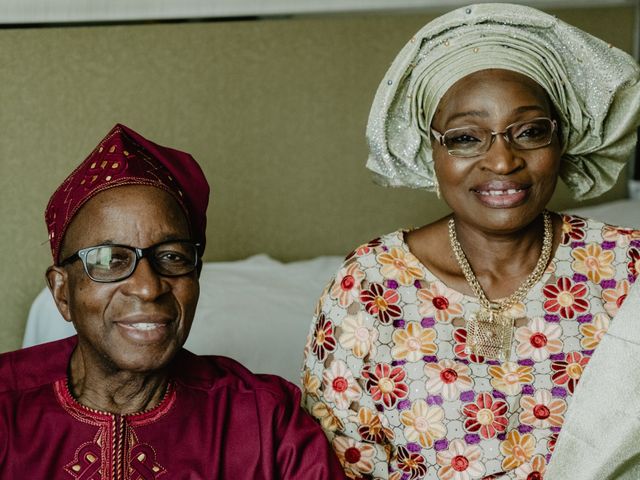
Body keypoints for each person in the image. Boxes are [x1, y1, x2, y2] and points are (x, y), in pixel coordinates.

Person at [301, 3, 640, 479]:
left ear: (563, 141)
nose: (502, 162)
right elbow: (345, 462)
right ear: (430, 151)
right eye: (465, 138)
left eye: (530, 131)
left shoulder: (629, 266)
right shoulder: (371, 287)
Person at [0, 124, 347, 479]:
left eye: (172, 257)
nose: (149, 287)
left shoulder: (266, 421)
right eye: (109, 260)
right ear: (62, 292)